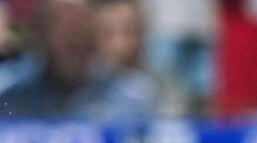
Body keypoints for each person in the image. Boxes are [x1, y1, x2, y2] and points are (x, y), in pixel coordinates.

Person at [0, 0, 155, 119]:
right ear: (41, 32)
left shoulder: (133, 99)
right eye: (59, 21)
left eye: (80, 20)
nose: (72, 32)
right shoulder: (11, 102)